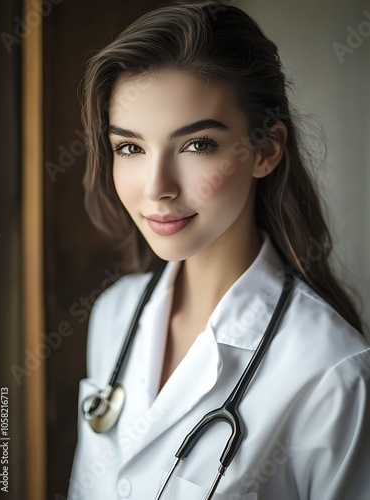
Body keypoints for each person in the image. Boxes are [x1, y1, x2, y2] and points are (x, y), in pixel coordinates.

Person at [68, 1, 370, 499]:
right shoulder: (113, 314)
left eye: (196, 145)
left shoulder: (333, 374)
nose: (157, 187)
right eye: (130, 147)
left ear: (266, 150)